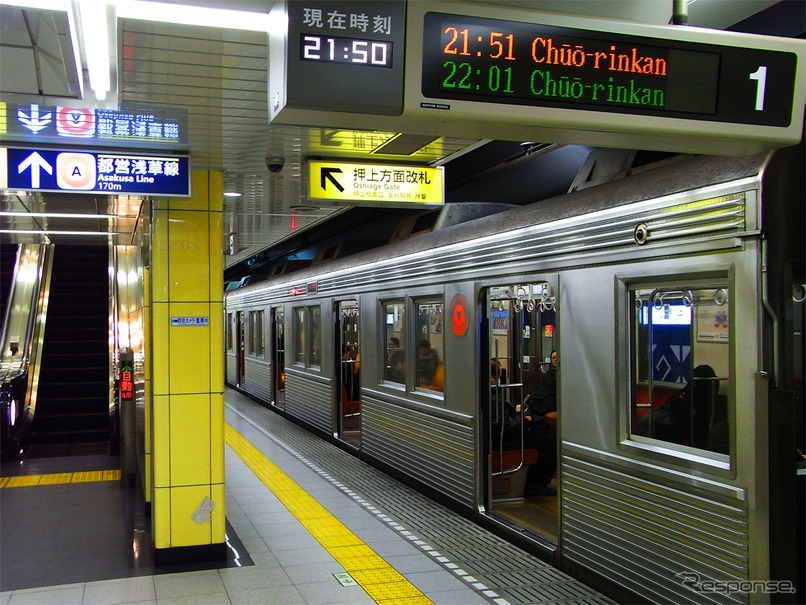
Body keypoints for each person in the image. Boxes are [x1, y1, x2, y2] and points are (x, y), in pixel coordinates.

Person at [634, 364, 724, 450]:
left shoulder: (706, 393)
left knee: (654, 432)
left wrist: (683, 402)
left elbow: (694, 413)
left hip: (686, 424)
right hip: (675, 418)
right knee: (645, 428)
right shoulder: (692, 388)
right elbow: (675, 400)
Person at [520, 350, 558, 497]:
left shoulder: (554, 374)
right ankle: (537, 483)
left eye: (557, 357)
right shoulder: (551, 374)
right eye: (553, 357)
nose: (555, 360)